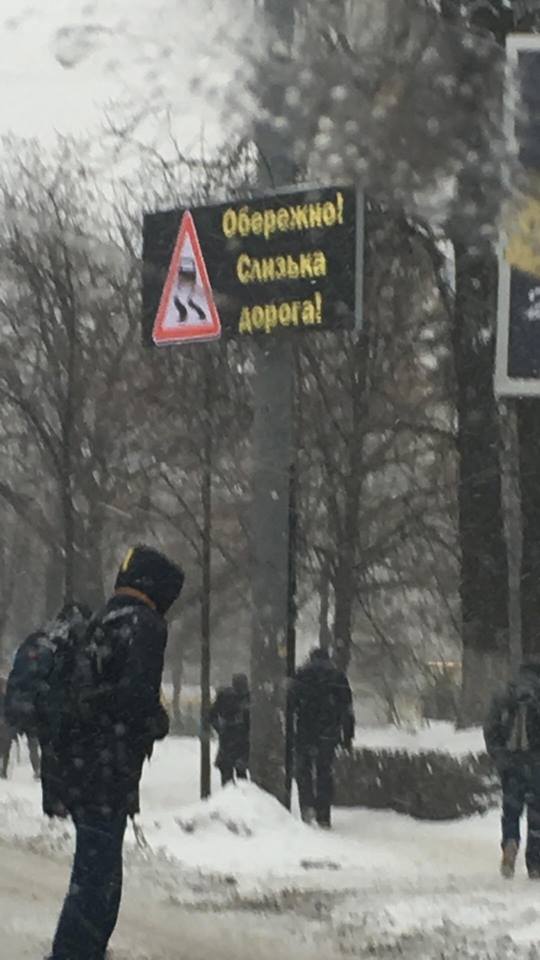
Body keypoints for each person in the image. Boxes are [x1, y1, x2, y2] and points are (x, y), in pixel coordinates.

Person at [47, 544, 184, 960]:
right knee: (98, 871)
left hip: (79, 760)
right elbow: (135, 697)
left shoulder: (103, 619)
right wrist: (156, 720)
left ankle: (83, 948)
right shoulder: (145, 624)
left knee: (95, 865)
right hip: (108, 765)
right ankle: (75, 951)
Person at [484, 658, 540, 879]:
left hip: (511, 762)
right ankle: (535, 863)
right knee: (537, 813)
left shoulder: (504, 694)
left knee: (511, 809)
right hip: (537, 763)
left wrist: (499, 755)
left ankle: (510, 842)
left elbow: (491, 727)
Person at [290, 647, 355, 829]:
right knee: (324, 772)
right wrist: (347, 737)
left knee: (304, 771)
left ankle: (307, 808)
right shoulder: (338, 677)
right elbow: (347, 710)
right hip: (329, 732)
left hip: (305, 731)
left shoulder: (301, 675)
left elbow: (291, 705)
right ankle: (324, 814)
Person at [210, 672, 250, 786]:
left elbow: (212, 715)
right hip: (230, 740)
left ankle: (238, 793)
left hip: (240, 741)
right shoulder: (225, 697)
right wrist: (220, 727)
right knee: (229, 774)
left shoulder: (248, 698)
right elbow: (211, 715)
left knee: (239, 775)